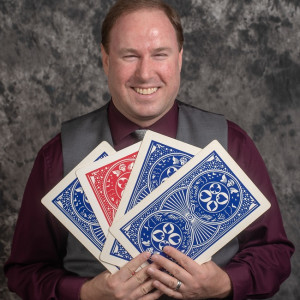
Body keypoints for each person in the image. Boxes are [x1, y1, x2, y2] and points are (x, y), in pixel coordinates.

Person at [4, 0, 294, 299]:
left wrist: (225, 283)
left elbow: (273, 253)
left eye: (160, 54)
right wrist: (86, 293)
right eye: (129, 55)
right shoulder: (58, 156)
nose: (145, 73)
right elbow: (24, 271)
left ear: (179, 59)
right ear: (105, 59)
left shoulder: (232, 143)